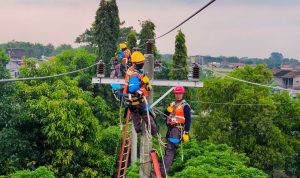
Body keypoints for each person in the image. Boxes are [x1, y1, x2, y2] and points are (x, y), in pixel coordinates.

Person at [123, 51, 158, 135]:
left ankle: (138, 129)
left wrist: (147, 85)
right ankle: (154, 131)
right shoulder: (134, 73)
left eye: (142, 63)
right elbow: (133, 88)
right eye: (140, 64)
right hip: (137, 100)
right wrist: (143, 82)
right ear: (134, 64)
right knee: (146, 115)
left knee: (135, 115)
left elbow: (142, 78)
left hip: (130, 101)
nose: (141, 65)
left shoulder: (134, 70)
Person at [159, 86, 191, 177]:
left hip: (177, 130)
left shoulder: (185, 106)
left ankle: (162, 172)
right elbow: (164, 115)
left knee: (170, 151)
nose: (178, 95)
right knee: (169, 151)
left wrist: (186, 132)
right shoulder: (172, 104)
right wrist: (168, 110)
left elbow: (188, 120)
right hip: (170, 129)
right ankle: (166, 169)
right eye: (177, 93)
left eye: (180, 93)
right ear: (175, 94)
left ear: (182, 94)